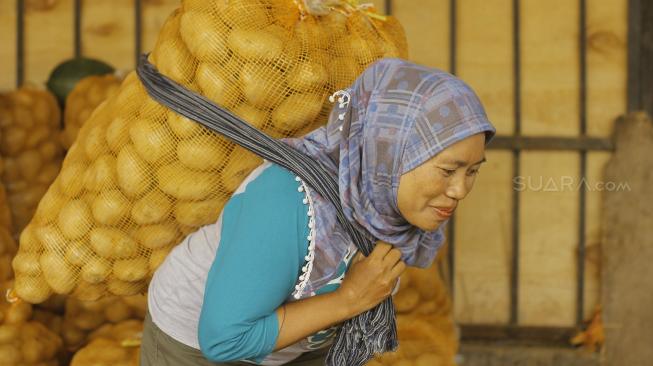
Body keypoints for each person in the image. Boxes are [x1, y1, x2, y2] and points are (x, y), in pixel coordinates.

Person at [140, 58, 496, 366]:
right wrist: (349, 299)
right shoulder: (287, 201)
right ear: (390, 152)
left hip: (294, 342)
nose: (460, 190)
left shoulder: (382, 202)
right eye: (449, 171)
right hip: (196, 345)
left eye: (473, 171)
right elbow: (224, 340)